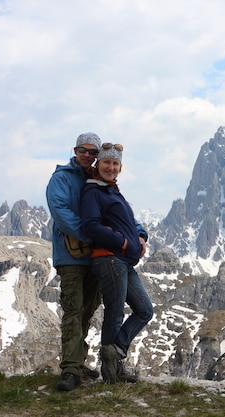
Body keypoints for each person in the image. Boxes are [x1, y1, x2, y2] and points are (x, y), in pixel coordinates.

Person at [80, 142, 153, 384]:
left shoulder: (111, 190)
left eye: (115, 163)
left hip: (122, 260)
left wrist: (140, 236)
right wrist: (122, 242)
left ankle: (116, 351)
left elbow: (128, 222)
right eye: (106, 162)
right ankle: (112, 372)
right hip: (108, 258)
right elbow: (90, 226)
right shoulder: (94, 191)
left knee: (144, 310)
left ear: (120, 167)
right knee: (114, 313)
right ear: (98, 164)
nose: (111, 167)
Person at [45, 132, 103, 391]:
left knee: (88, 309)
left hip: (94, 257)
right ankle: (70, 370)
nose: (88, 155)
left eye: (93, 152)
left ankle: (77, 362)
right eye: (84, 150)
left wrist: (139, 233)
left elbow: (116, 210)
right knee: (73, 310)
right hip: (71, 257)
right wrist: (93, 234)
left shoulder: (97, 179)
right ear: (75, 150)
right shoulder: (61, 179)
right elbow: (61, 214)